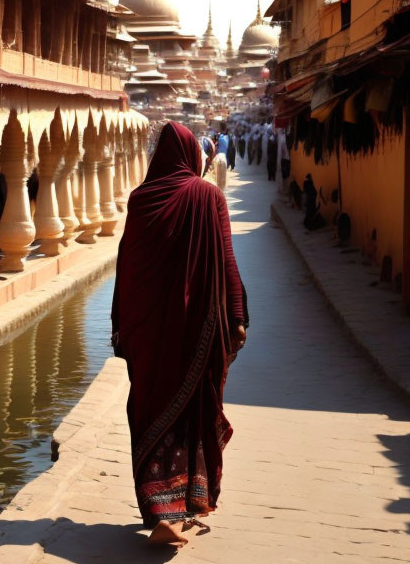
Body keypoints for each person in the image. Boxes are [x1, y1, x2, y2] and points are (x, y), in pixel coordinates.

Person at [112, 122, 248, 549]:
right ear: (192, 154)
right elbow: (226, 259)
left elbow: (127, 268)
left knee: (151, 407)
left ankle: (160, 510)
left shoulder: (141, 199)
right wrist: (238, 316)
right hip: (198, 328)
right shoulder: (209, 197)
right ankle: (184, 502)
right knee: (191, 409)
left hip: (149, 333)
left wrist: (122, 325)